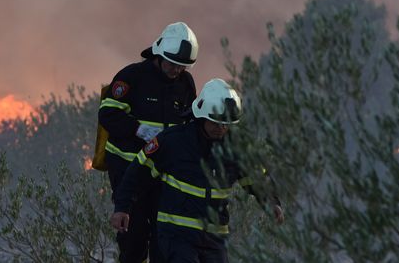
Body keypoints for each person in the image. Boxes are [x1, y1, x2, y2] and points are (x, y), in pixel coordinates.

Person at [109, 78, 284, 263]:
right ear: (202, 116)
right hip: (176, 234)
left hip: (215, 238)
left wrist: (272, 203)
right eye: (216, 123)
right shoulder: (173, 141)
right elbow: (137, 173)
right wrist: (122, 208)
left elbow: (257, 178)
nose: (221, 128)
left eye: (226, 124)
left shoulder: (237, 149)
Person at [99, 22, 199, 263]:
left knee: (163, 238)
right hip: (128, 169)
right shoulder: (131, 77)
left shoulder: (185, 83)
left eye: (182, 65)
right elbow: (108, 114)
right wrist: (139, 129)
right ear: (159, 54)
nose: (177, 70)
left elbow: (191, 121)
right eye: (173, 63)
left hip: (163, 172)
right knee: (133, 241)